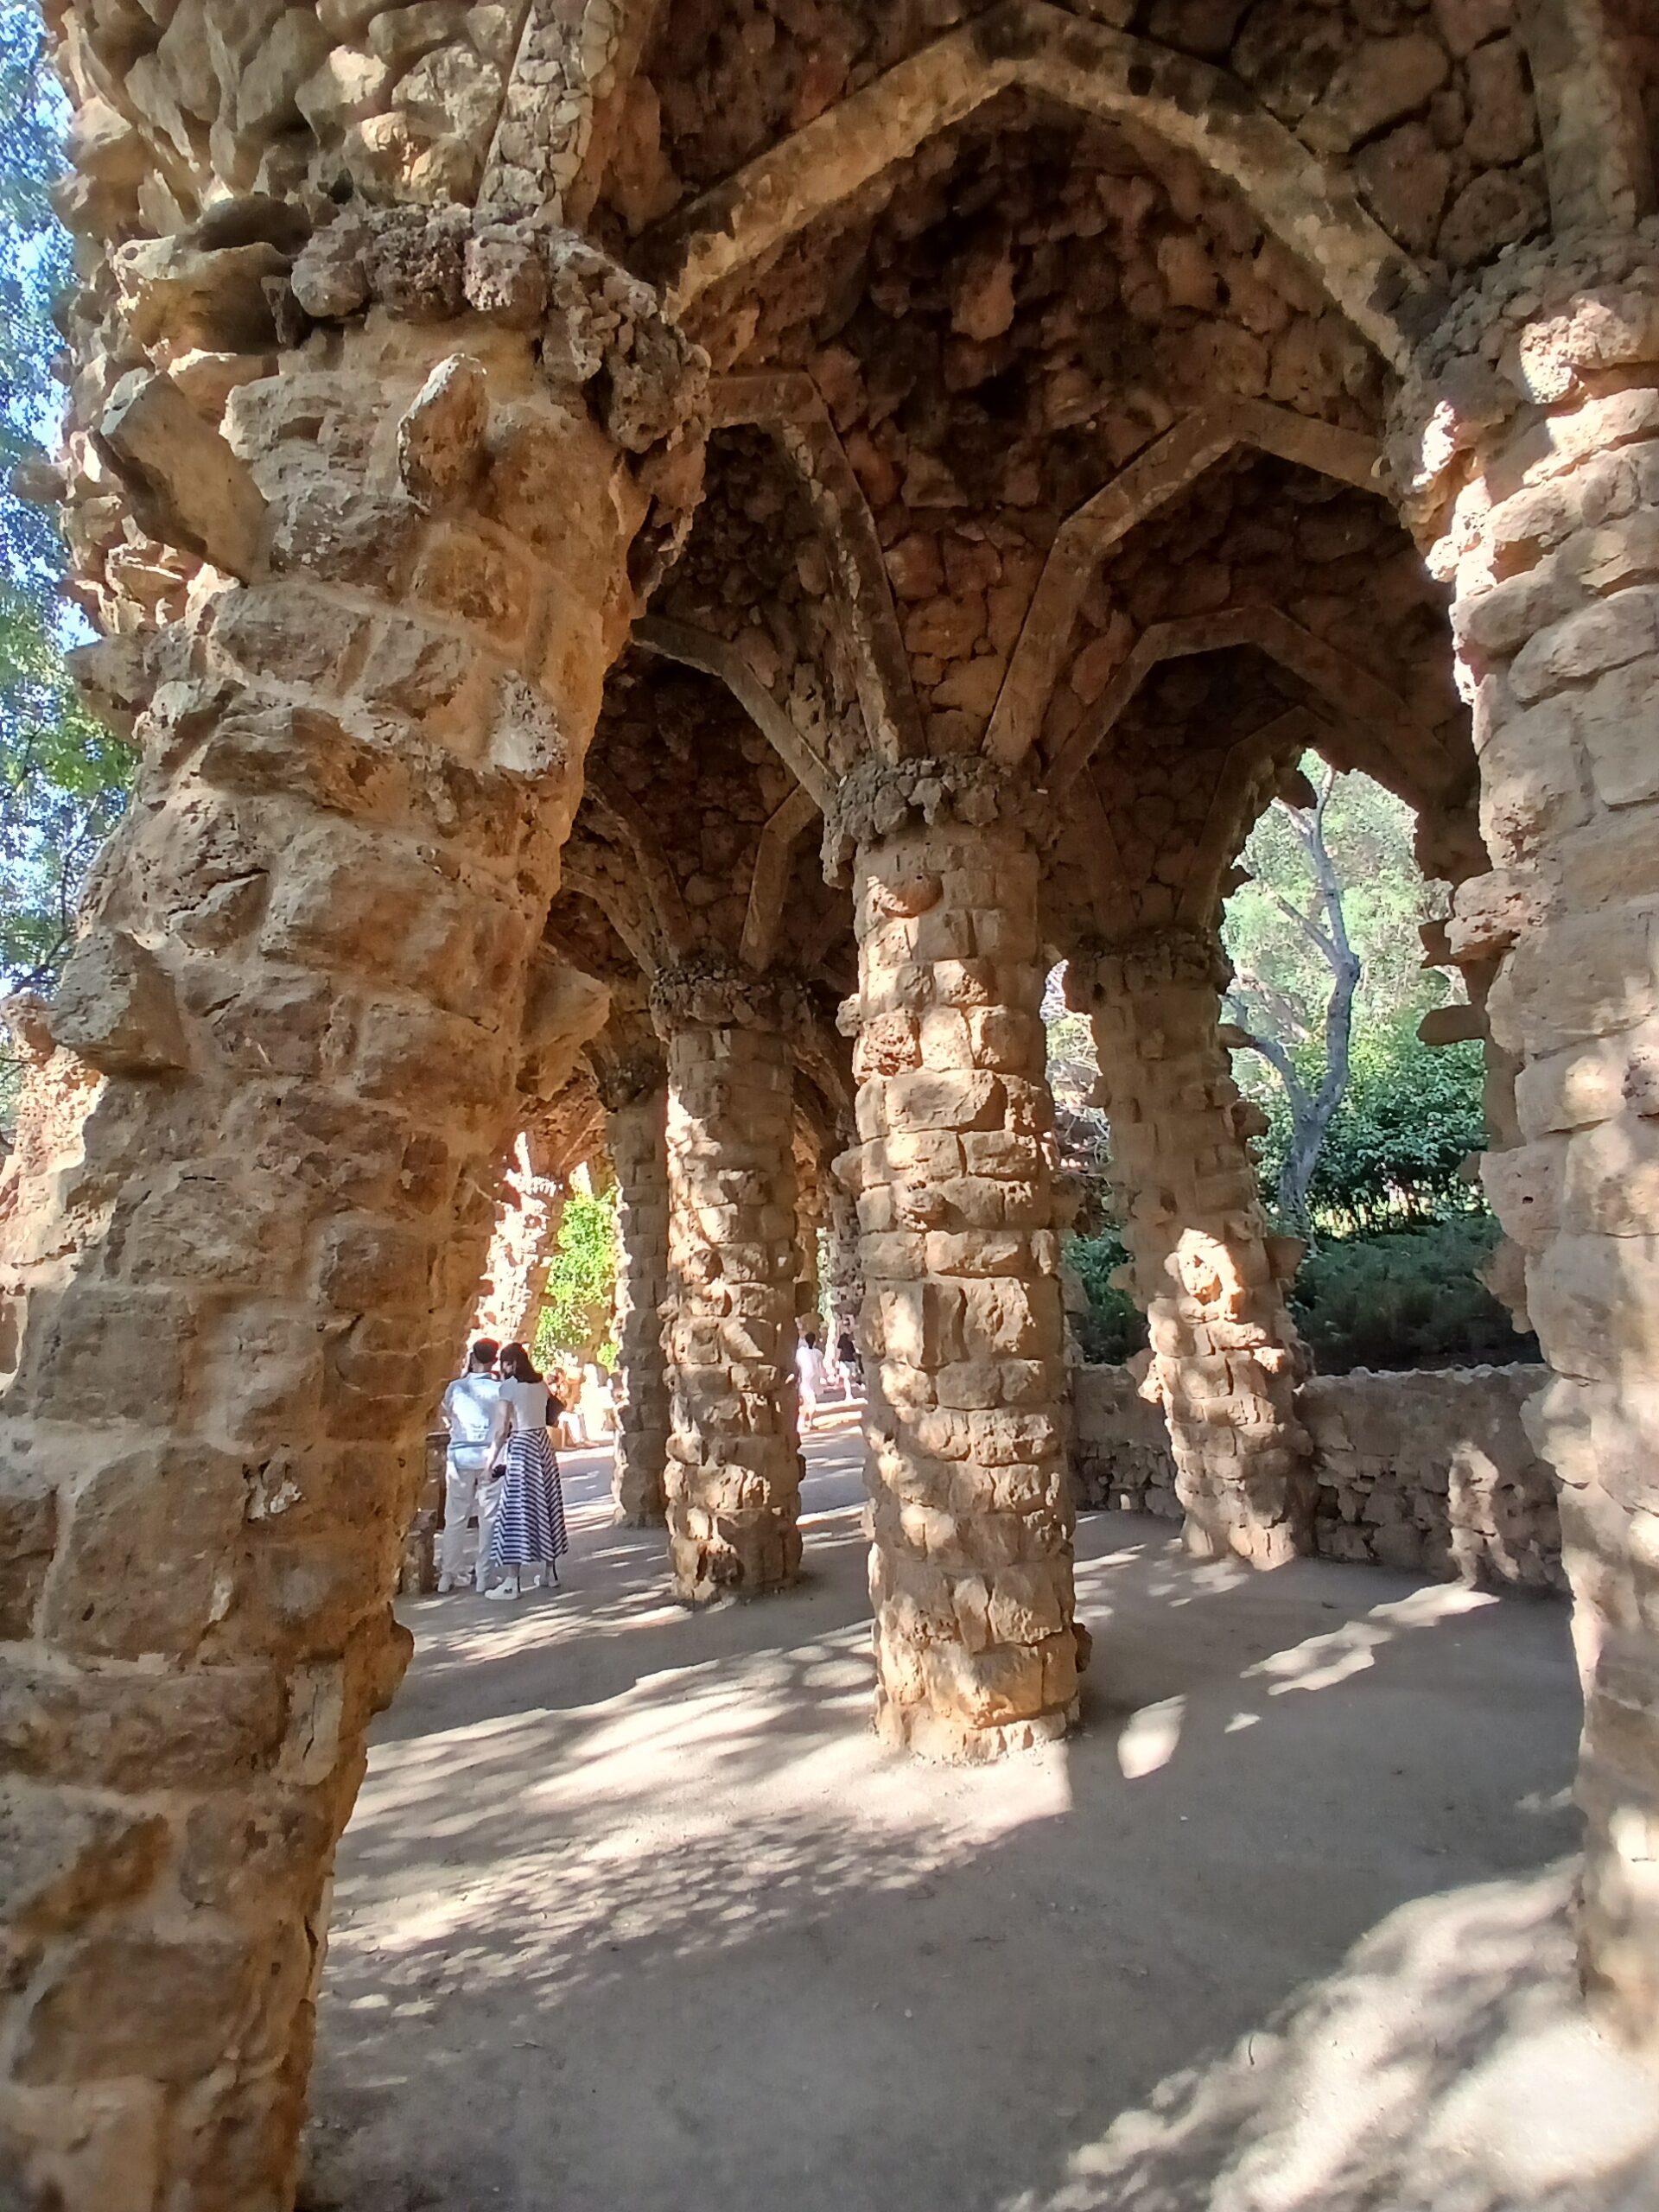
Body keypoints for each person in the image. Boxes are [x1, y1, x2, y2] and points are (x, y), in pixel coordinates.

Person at [482, 1342, 569, 1602]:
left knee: (515, 1510)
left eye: (505, 1364)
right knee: (546, 1504)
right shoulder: (541, 1385)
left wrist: (489, 1464)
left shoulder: (508, 1388)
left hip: (521, 1446)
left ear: (512, 1363)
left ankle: (512, 1581)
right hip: (542, 1445)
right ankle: (550, 1572)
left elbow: (501, 1431)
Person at [437, 1338, 500, 1594]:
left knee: (455, 1517)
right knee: (489, 1517)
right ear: (494, 1361)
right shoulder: (501, 1389)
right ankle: (485, 1574)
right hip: (490, 1457)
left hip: (460, 1456)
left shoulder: (456, 1388)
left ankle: (448, 1574)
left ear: (472, 1357)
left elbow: (447, 1414)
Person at [795, 1327, 827, 1436]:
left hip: (805, 1379)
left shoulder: (800, 1352)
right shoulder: (818, 1353)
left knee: (806, 1401)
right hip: (813, 1379)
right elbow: (820, 1366)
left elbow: (797, 1365)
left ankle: (804, 1421)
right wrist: (823, 1377)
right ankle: (809, 1421)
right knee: (811, 1401)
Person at [836, 1322, 861, 1399]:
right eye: (844, 1325)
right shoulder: (842, 1337)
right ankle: (848, 1394)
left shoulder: (853, 1335)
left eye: (847, 1325)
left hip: (852, 1359)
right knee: (847, 1377)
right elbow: (839, 1349)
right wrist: (837, 1359)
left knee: (853, 1376)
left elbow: (857, 1347)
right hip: (844, 1359)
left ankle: (858, 1384)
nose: (846, 1327)